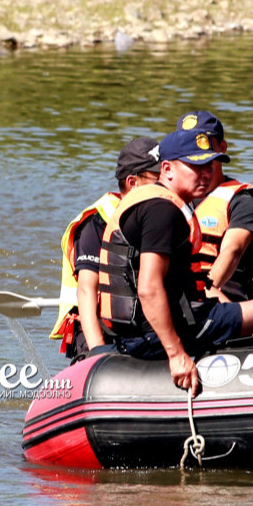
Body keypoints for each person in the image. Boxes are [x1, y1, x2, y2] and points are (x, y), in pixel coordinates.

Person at [95, 125, 253, 393]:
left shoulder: (147, 201)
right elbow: (148, 287)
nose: (206, 174)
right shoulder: (163, 211)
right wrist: (176, 354)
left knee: (232, 311)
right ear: (167, 169)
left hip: (131, 332)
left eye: (209, 166)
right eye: (194, 167)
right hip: (154, 335)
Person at [49, 136, 161, 362]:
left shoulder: (159, 218)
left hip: (138, 324)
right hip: (96, 327)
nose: (167, 184)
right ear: (133, 182)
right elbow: (86, 290)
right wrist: (98, 353)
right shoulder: (96, 223)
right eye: (158, 178)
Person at [173, 110, 253, 303]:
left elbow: (232, 251)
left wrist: (203, 294)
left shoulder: (243, 201)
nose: (195, 152)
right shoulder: (171, 197)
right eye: (187, 144)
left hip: (226, 300)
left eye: (203, 144)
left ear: (222, 148)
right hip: (181, 297)